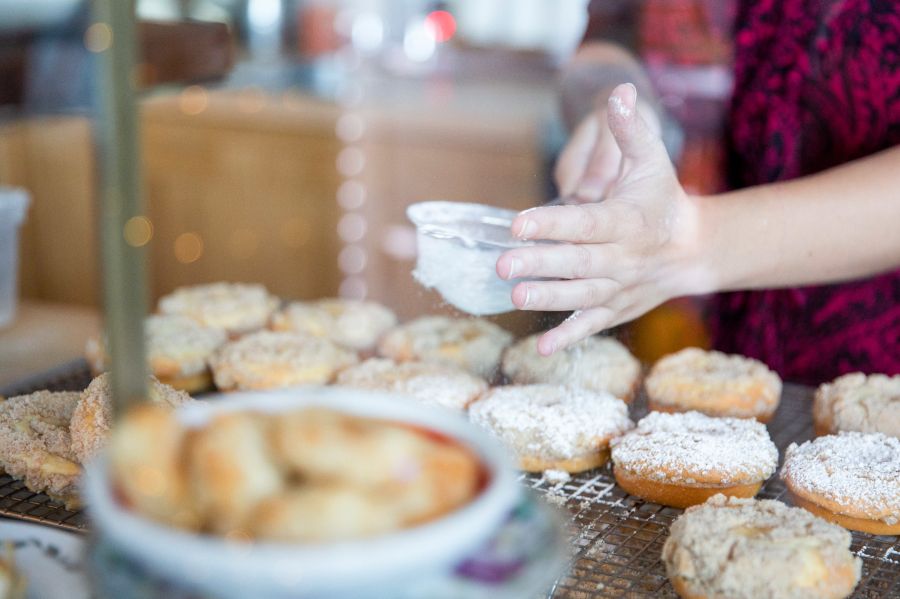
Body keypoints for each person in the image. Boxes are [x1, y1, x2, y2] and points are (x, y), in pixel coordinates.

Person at [496, 0, 900, 383]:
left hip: (875, 362)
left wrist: (691, 241)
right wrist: (618, 110)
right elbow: (610, 32)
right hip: (700, 337)